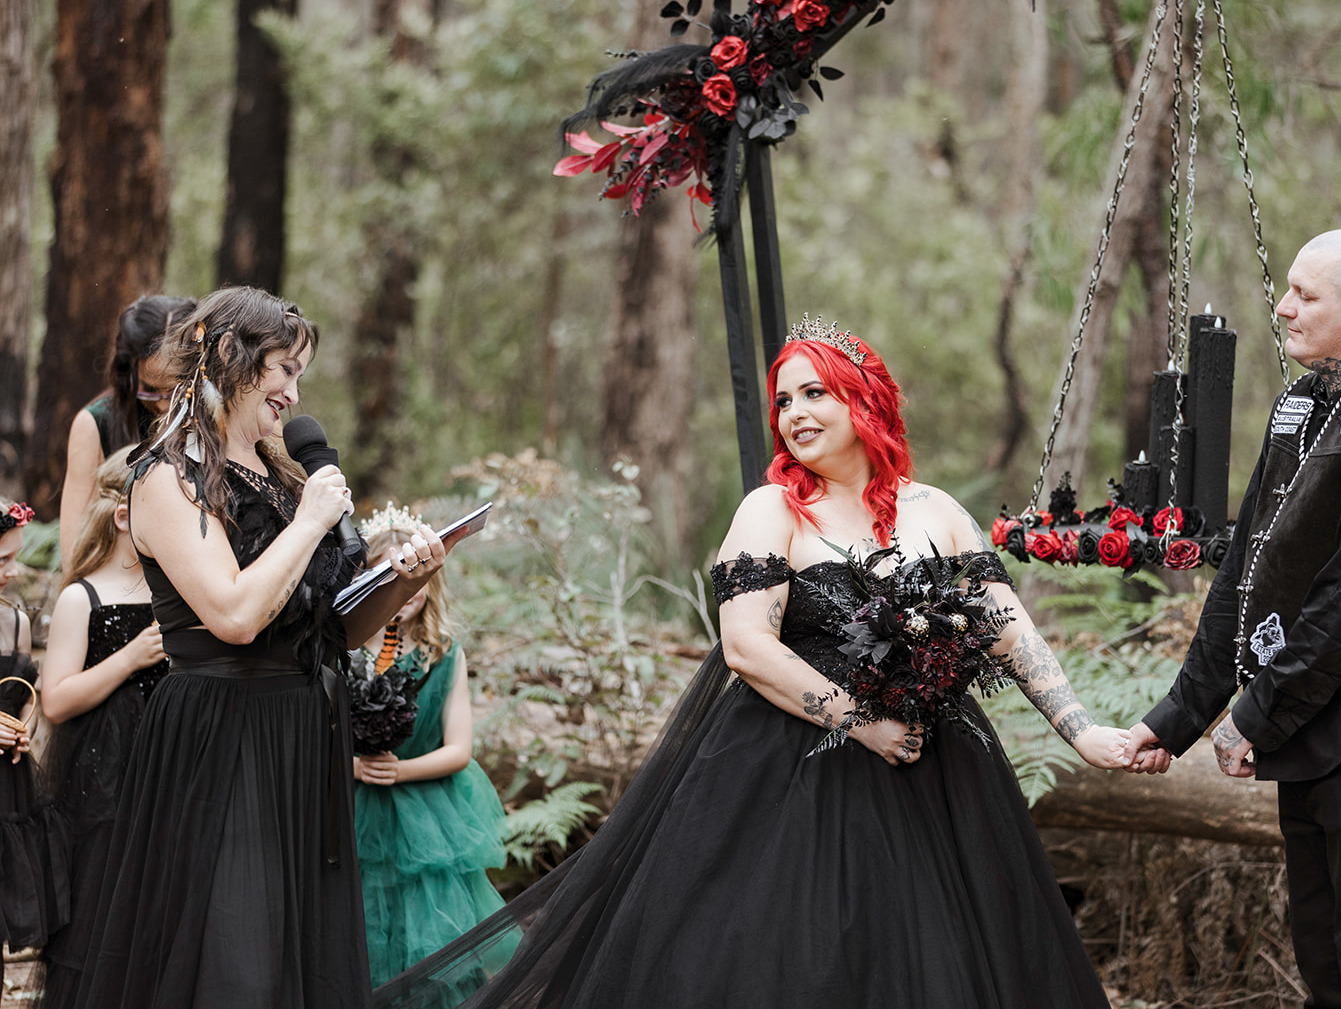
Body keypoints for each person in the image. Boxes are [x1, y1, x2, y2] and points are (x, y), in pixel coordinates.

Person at [373, 319, 1129, 1009]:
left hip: (943, 778)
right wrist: (864, 723)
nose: (794, 412)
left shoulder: (937, 510)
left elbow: (1004, 625)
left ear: (863, 400)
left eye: (814, 392)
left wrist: (1082, 730)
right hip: (798, 770)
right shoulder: (772, 510)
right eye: (783, 400)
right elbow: (748, 647)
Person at [71, 286, 462, 1009]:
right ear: (228, 355)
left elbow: (337, 630)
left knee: (295, 962)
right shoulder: (167, 475)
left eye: (298, 374)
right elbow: (235, 614)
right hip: (225, 737)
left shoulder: (283, 476)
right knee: (235, 964)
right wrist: (313, 519)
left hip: (301, 735)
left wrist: (405, 576)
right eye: (282, 369)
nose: (293, 391)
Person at [1124, 229, 1341, 1009]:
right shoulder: (1303, 404)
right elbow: (1248, 572)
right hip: (1317, 728)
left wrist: (1256, 713)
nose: (1282, 307)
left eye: (1304, 295)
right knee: (1328, 970)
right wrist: (1180, 714)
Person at [352, 505, 507, 990]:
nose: (405, 592)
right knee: (361, 920)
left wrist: (399, 772)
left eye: (416, 576)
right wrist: (353, 765)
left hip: (426, 817)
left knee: (431, 934)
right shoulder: (345, 650)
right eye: (390, 574)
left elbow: (459, 749)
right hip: (348, 807)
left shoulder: (443, 653)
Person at [35, 447, 168, 1009]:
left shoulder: (176, 592)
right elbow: (55, 701)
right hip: (99, 782)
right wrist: (131, 657)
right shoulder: (81, 597)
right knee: (99, 905)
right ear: (123, 518)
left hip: (163, 770)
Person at [59, 294, 195, 569]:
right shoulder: (96, 423)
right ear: (127, 372)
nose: (163, 403)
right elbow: (74, 547)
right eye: (150, 388)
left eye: (178, 390)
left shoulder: (221, 417)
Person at [0, 499, 69, 990]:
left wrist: (21, 726)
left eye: (14, 556)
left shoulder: (16, 624)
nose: (13, 570)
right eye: (1, 560)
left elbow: (17, 698)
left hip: (8, 796)